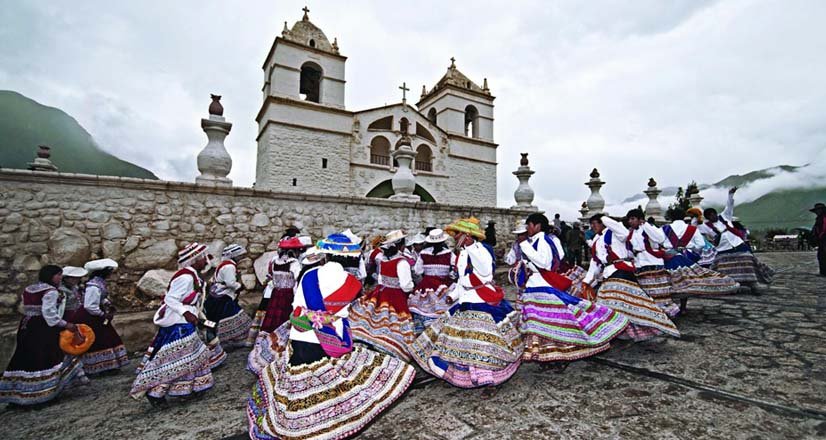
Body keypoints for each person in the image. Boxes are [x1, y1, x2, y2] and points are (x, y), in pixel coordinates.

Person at [246, 262, 415, 440]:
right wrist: (330, 321)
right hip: (314, 346)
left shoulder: (308, 277)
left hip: (299, 338)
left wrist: (320, 318)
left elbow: (299, 308)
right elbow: (338, 340)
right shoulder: (331, 302)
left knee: (299, 378)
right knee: (327, 385)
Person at [410, 220, 522, 388]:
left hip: (480, 300)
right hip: (466, 299)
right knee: (462, 341)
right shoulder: (462, 253)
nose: (455, 238)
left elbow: (484, 271)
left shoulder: (481, 251)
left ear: (467, 236)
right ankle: (464, 374)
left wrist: (470, 249)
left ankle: (488, 377)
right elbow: (462, 279)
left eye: (458, 235)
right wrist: (453, 295)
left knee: (481, 342)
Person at [518, 213, 629, 364]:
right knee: (542, 321)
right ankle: (547, 353)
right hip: (537, 284)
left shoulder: (543, 241)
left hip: (543, 284)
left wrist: (524, 245)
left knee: (551, 320)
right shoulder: (539, 241)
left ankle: (563, 349)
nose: (527, 229)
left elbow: (544, 263)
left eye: (529, 225)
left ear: (537, 225)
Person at [130, 243, 219, 405]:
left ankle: (190, 387)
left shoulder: (194, 276)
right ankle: (154, 391)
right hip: (179, 322)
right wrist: (185, 313)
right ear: (193, 260)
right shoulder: (185, 278)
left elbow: (194, 302)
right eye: (202, 258)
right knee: (175, 359)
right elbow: (170, 298)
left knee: (190, 356)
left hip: (186, 319)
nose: (206, 261)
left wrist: (199, 317)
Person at [0, 265, 88, 406]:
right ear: (50, 276)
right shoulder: (51, 291)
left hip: (26, 326)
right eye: (58, 275)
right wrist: (67, 325)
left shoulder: (30, 289)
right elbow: (50, 315)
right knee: (46, 358)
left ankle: (19, 394)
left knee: (25, 356)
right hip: (43, 328)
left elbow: (26, 307)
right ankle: (42, 395)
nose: (60, 278)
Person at [584, 214, 680, 341]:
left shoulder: (615, 233)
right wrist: (587, 281)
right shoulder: (597, 241)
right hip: (609, 272)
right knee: (609, 303)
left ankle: (647, 325)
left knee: (628, 303)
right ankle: (617, 330)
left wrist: (604, 218)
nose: (593, 227)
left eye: (595, 223)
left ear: (602, 223)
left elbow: (623, 232)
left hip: (622, 270)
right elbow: (595, 263)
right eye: (591, 224)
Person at [348, 230, 416, 362]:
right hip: (396, 296)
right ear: (401, 245)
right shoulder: (402, 262)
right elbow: (406, 285)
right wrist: (411, 287)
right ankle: (388, 345)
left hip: (380, 293)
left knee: (374, 317)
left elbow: (380, 279)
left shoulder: (383, 259)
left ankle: (368, 339)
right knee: (394, 322)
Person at [661, 207, 740, 312]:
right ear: (684, 217)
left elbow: (658, 241)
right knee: (686, 282)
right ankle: (683, 307)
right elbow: (701, 244)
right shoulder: (692, 229)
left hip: (669, 256)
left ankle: (670, 306)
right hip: (685, 257)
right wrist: (691, 248)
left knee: (668, 281)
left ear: (670, 217)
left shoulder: (664, 228)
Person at [699, 187, 774, 289]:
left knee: (748, 260)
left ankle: (753, 283)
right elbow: (695, 226)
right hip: (723, 248)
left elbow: (729, 205)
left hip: (737, 243)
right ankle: (729, 284)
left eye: (713, 214)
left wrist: (730, 194)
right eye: (710, 216)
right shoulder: (706, 227)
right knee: (724, 266)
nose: (713, 216)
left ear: (716, 213)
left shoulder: (725, 216)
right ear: (708, 218)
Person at [247, 237, 310, 348]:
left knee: (272, 318)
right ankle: (283, 342)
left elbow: (271, 274)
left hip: (276, 293)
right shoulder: (294, 263)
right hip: (288, 295)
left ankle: (266, 341)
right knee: (285, 317)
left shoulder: (274, 261)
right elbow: (298, 278)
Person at [75, 258, 129, 374]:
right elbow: (89, 305)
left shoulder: (97, 283)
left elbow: (100, 297)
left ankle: (108, 365)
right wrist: (103, 315)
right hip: (91, 317)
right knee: (100, 340)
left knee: (106, 338)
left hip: (95, 315)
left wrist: (106, 303)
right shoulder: (94, 286)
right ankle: (101, 367)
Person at [625, 209, 680, 317]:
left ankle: (666, 313)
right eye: (629, 219)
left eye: (633, 219)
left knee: (659, 291)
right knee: (648, 291)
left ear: (640, 219)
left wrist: (645, 225)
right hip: (640, 263)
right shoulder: (632, 232)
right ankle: (653, 314)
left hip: (652, 261)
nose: (630, 222)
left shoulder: (648, 228)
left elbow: (659, 238)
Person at [409, 229, 456, 334]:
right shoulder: (449, 254)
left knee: (421, 309)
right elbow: (455, 270)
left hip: (426, 284)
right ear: (443, 241)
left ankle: (422, 332)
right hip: (443, 285)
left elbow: (417, 270)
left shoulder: (423, 253)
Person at [205, 244, 252, 349]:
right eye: (239, 255)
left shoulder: (224, 265)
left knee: (213, 318)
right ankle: (230, 340)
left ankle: (213, 337)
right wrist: (239, 286)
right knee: (232, 316)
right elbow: (230, 283)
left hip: (216, 295)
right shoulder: (229, 267)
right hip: (223, 297)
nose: (241, 258)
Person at [810, 203, 826, 276]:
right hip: (822, 240)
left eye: (818, 210)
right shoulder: (820, 218)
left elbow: (823, 229)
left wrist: (819, 237)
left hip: (824, 240)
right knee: (821, 256)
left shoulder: (823, 217)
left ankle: (824, 272)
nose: (817, 212)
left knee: (822, 256)